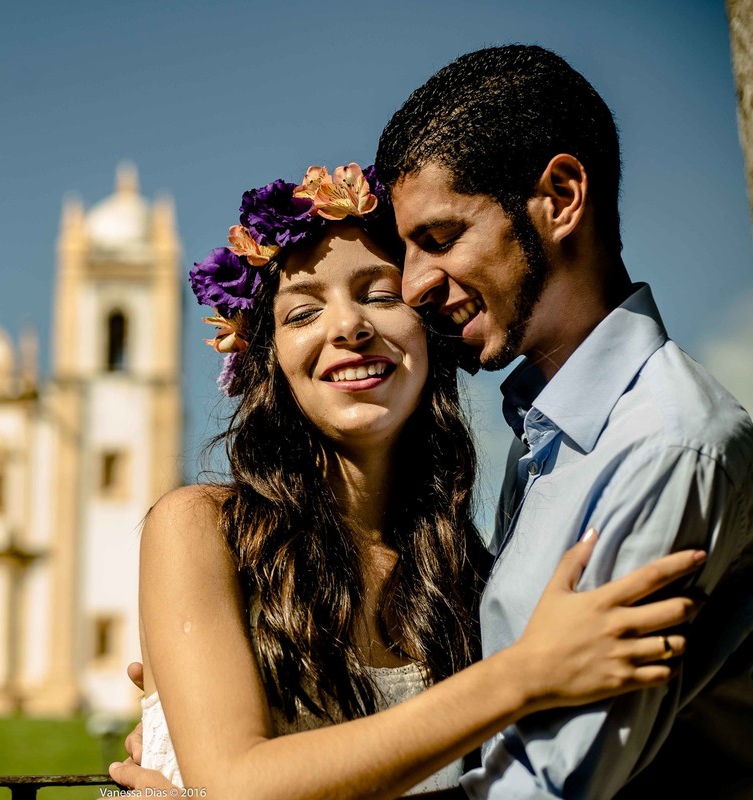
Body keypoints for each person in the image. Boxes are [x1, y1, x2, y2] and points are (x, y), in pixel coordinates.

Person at [110, 162, 704, 799]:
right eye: (304, 313)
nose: (347, 327)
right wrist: (522, 676)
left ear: (430, 326)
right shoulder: (203, 530)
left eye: (380, 296)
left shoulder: (474, 577)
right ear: (271, 360)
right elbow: (237, 786)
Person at [375, 45, 753, 798]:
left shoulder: (669, 446)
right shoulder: (545, 437)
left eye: (441, 238)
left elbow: (544, 787)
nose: (412, 284)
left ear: (561, 196)